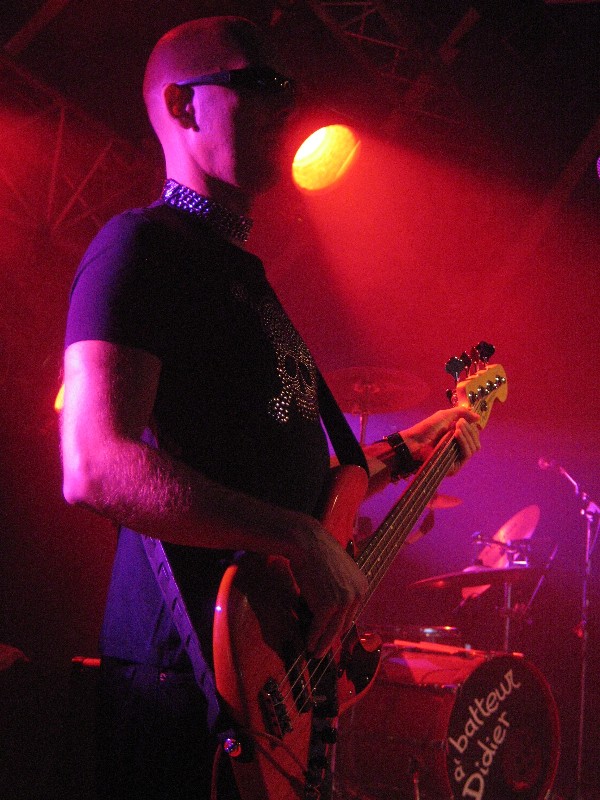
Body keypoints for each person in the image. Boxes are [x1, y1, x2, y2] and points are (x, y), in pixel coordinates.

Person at [59, 16, 481, 800]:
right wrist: (296, 537)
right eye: (262, 84)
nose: (286, 105)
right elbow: (94, 464)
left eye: (291, 88)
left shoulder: (245, 276)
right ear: (183, 104)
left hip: (265, 676)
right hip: (184, 673)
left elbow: (278, 480)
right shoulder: (138, 247)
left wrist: (406, 453)